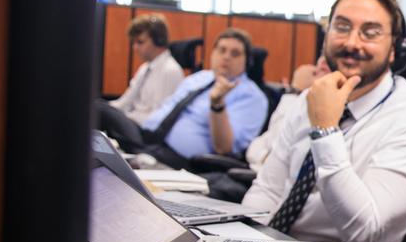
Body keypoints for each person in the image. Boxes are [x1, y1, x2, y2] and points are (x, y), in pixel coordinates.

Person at [244, 0, 406, 242]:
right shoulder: (311, 97)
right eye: (342, 27)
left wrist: (326, 131)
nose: (352, 43)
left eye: (370, 33)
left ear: (395, 50)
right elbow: (268, 189)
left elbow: (363, 231)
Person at [139, 28, 269, 168]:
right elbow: (165, 110)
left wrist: (217, 104)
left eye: (235, 54)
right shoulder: (198, 78)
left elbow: (224, 148)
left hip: (184, 164)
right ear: (212, 54)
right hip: (148, 142)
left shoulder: (253, 97)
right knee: (113, 119)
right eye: (221, 50)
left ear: (247, 62)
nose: (226, 57)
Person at [246, 57, 330, 168]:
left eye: (329, 58)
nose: (322, 61)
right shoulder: (299, 101)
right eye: (322, 54)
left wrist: (296, 91)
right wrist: (265, 157)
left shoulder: (326, 113)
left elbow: (279, 148)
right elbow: (254, 147)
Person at [107, 14, 184, 124]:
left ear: (159, 40)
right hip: (133, 123)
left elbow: (158, 119)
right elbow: (124, 103)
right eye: (134, 43)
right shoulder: (145, 68)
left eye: (140, 42)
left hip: (145, 133)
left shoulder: (170, 71)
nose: (135, 48)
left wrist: (125, 118)